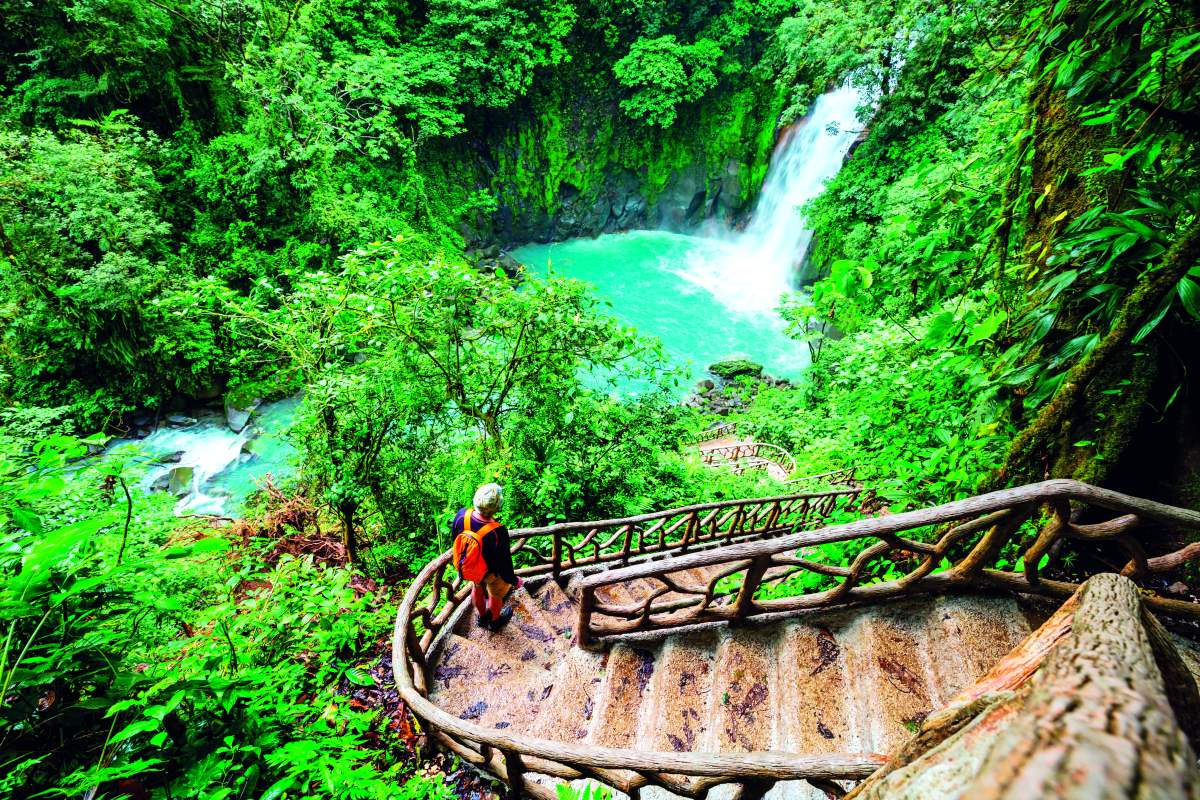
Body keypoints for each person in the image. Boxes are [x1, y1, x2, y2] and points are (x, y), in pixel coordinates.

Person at [450, 483, 521, 631]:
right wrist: (513, 580)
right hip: (490, 573)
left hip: (471, 568)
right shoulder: (497, 531)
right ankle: (495, 622)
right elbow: (504, 562)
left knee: (476, 587)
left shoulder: (461, 515)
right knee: (495, 595)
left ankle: (482, 618)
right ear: (496, 507)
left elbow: (455, 540)